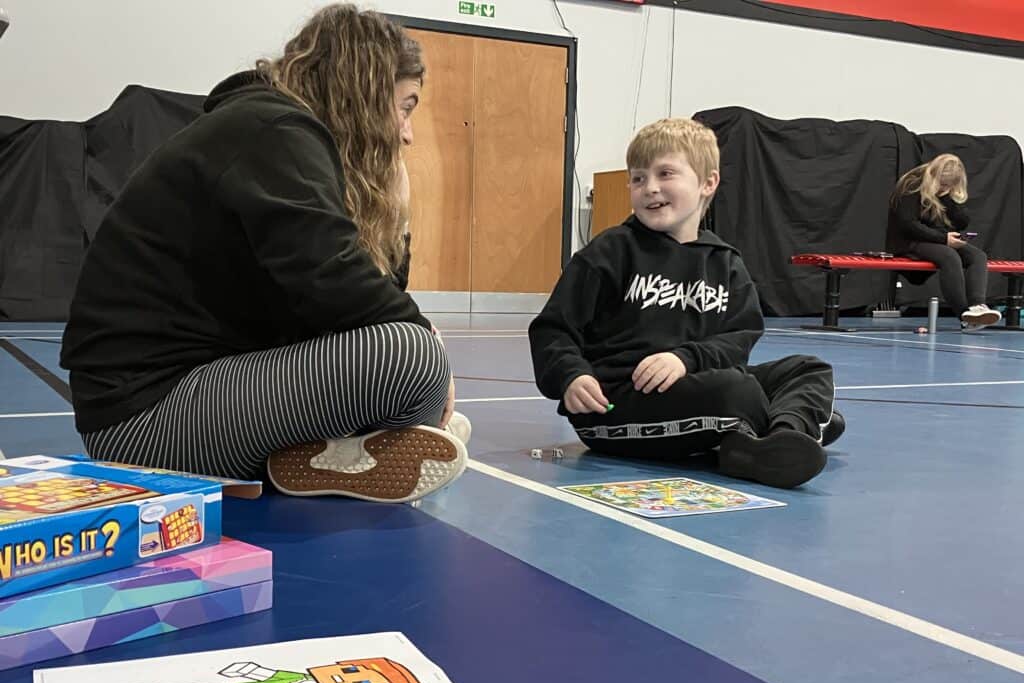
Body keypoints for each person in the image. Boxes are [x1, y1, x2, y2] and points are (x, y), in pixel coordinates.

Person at [60, 4, 470, 503]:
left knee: (410, 357)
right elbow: (334, 284)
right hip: (142, 423)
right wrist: (431, 345)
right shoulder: (273, 130)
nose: (407, 132)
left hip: (189, 396)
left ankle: (328, 455)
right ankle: (344, 449)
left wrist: (396, 225)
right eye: (405, 106)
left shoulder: (278, 133)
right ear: (364, 88)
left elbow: (355, 300)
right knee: (414, 358)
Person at [528, 118, 844, 489]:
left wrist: (686, 359)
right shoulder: (610, 252)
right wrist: (572, 376)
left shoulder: (725, 262)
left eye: (665, 174)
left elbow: (740, 337)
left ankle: (784, 437)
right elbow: (553, 328)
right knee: (737, 393)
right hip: (618, 403)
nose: (650, 188)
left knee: (808, 369)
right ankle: (785, 424)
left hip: (698, 384)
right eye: (638, 178)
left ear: (707, 183)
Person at [886, 153, 1001, 329]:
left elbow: (962, 222)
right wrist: (944, 239)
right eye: (942, 184)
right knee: (949, 255)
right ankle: (964, 315)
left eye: (948, 186)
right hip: (907, 241)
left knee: (977, 256)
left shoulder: (944, 191)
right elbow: (908, 225)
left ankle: (977, 306)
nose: (943, 188)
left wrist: (947, 198)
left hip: (935, 238)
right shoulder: (912, 184)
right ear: (934, 176)